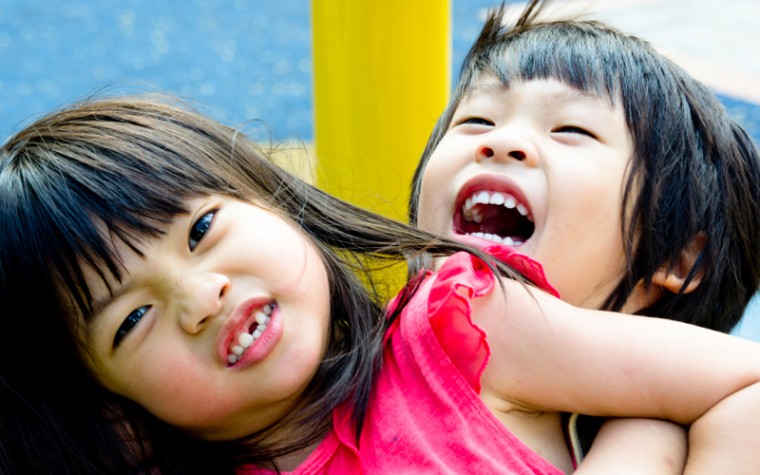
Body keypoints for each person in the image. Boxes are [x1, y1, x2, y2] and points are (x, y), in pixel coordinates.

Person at [4, 94, 760, 475]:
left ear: (270, 198)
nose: (204, 300)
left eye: (201, 230)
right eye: (132, 320)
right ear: (111, 410)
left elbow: (737, 387)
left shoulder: (458, 333)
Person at [407, 0, 760, 472]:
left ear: (678, 260)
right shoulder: (467, 315)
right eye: (477, 121)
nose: (501, 141)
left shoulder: (483, 318)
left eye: (570, 129)